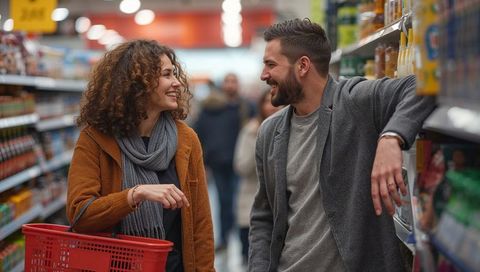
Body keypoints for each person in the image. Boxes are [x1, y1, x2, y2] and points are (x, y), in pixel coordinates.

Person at [249, 18, 436, 272]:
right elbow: (264, 217)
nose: (264, 75)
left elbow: (422, 86)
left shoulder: (354, 102)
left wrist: (391, 137)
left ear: (303, 65)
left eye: (271, 65)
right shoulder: (270, 133)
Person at [66, 40, 215, 272]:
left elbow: (201, 224)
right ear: (138, 84)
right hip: (115, 266)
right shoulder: (95, 139)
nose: (177, 83)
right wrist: (135, 194)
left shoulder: (186, 139)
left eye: (174, 74)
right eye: (167, 75)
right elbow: (80, 215)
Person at [194, 73, 254, 252]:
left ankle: (242, 241)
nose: (230, 85)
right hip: (218, 162)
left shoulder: (244, 107)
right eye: (227, 81)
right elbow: (200, 132)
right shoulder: (210, 108)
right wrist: (204, 158)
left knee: (238, 202)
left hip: (239, 163)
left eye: (234, 81)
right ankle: (225, 239)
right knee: (223, 201)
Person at [234, 90, 282, 264]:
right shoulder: (251, 131)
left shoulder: (287, 129)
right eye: (267, 102)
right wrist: (260, 140)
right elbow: (241, 166)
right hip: (252, 199)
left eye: (275, 102)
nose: (272, 107)